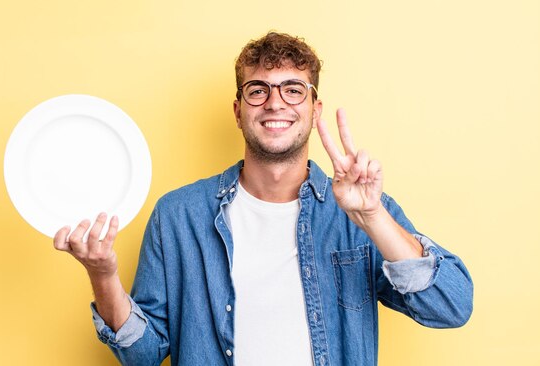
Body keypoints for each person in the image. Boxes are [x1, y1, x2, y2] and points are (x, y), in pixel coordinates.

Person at [53, 31, 473, 366]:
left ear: (314, 108)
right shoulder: (178, 215)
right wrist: (103, 276)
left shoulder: (361, 212)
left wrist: (373, 216)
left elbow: (451, 307)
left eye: (293, 89)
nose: (275, 103)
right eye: (258, 90)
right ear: (238, 110)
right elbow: (143, 355)